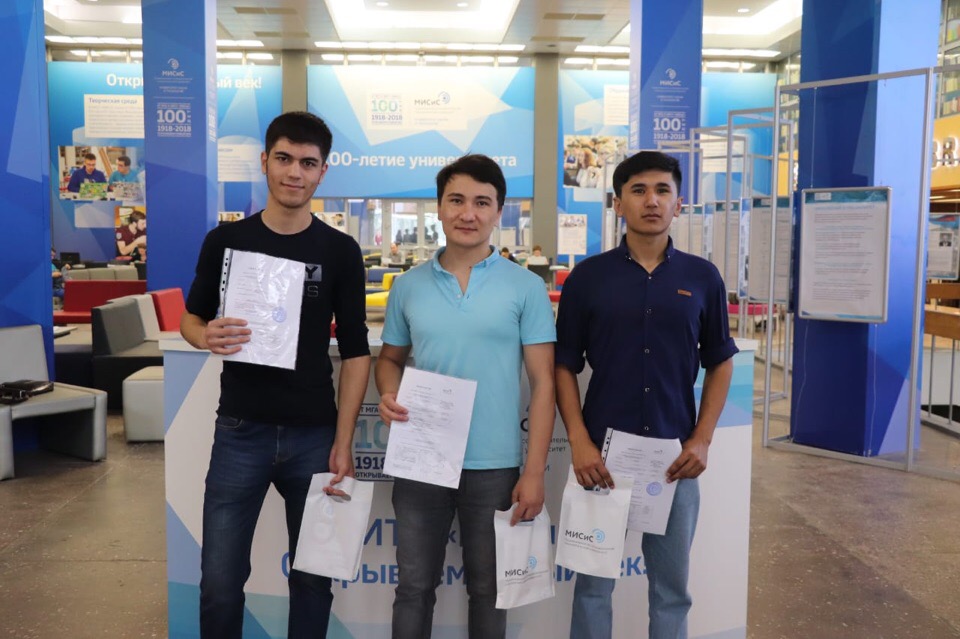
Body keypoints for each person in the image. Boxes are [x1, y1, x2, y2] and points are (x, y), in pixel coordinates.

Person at [180, 111, 371, 639]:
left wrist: (344, 440)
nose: (294, 172)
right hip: (240, 431)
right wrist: (205, 335)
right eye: (284, 159)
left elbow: (356, 352)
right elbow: (191, 319)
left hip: (315, 436)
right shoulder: (225, 241)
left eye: (308, 163)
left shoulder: (340, 251)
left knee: (313, 580)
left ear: (323, 172)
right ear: (265, 161)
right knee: (220, 583)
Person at [555, 151, 738, 639]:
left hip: (674, 461)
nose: (651, 201)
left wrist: (702, 439)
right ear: (618, 204)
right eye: (638, 191)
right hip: (601, 460)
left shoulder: (703, 278)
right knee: (592, 589)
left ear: (679, 203)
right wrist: (579, 441)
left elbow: (720, 361)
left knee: (671, 592)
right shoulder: (588, 278)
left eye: (662, 190)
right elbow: (563, 365)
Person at [376, 154, 556, 639]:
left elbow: (544, 383)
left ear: (499, 211)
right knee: (413, 588)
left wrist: (534, 472)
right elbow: (389, 359)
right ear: (439, 207)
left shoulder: (525, 287)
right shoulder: (408, 286)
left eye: (482, 202)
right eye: (456, 200)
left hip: (494, 465)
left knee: (489, 590)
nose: (468, 213)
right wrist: (388, 391)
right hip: (422, 459)